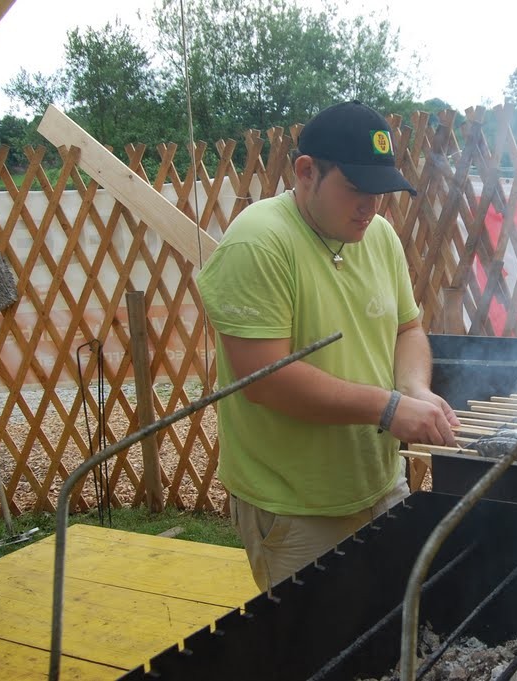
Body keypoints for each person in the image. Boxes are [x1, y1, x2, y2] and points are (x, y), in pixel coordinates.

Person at [195, 100, 460, 591]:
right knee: (312, 651)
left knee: (392, 629)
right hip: (294, 507)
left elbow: (408, 330)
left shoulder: (377, 235)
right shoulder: (258, 243)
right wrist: (387, 407)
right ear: (306, 172)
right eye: (356, 189)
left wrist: (413, 388)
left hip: (380, 483)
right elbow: (266, 381)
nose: (370, 207)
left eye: (379, 192)